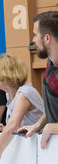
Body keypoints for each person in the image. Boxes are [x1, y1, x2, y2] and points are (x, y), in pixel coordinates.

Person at [0, 54, 44, 164]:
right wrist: (4, 128)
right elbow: (15, 126)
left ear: (4, 76)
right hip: (34, 148)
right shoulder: (10, 95)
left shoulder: (24, 92)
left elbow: (13, 125)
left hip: (43, 147)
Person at [17, 11, 58, 149]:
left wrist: (51, 128)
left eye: (35, 35)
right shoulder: (50, 63)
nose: (33, 40)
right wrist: (38, 125)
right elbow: (53, 105)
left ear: (47, 38)